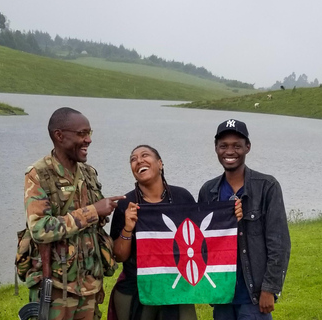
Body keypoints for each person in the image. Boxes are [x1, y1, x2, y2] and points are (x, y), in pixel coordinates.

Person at [23, 107, 125, 320]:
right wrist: (93, 211)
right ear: (59, 136)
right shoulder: (39, 174)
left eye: (90, 133)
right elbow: (40, 229)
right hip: (57, 288)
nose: (88, 140)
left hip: (90, 285)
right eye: (82, 134)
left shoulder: (88, 172)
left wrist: (105, 211)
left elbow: (95, 221)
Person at [198, 119, 291, 320]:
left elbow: (279, 242)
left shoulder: (267, 186)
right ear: (216, 149)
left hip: (253, 295)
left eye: (236, 146)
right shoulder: (208, 191)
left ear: (247, 147)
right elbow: (202, 241)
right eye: (223, 146)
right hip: (222, 293)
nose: (229, 151)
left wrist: (270, 288)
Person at [109, 145, 198, 320]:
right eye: (133, 159)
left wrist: (232, 217)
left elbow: (200, 241)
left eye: (145, 155)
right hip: (135, 288)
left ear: (160, 163)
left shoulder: (182, 197)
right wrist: (128, 227)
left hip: (177, 287)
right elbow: (119, 256)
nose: (139, 160)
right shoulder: (126, 204)